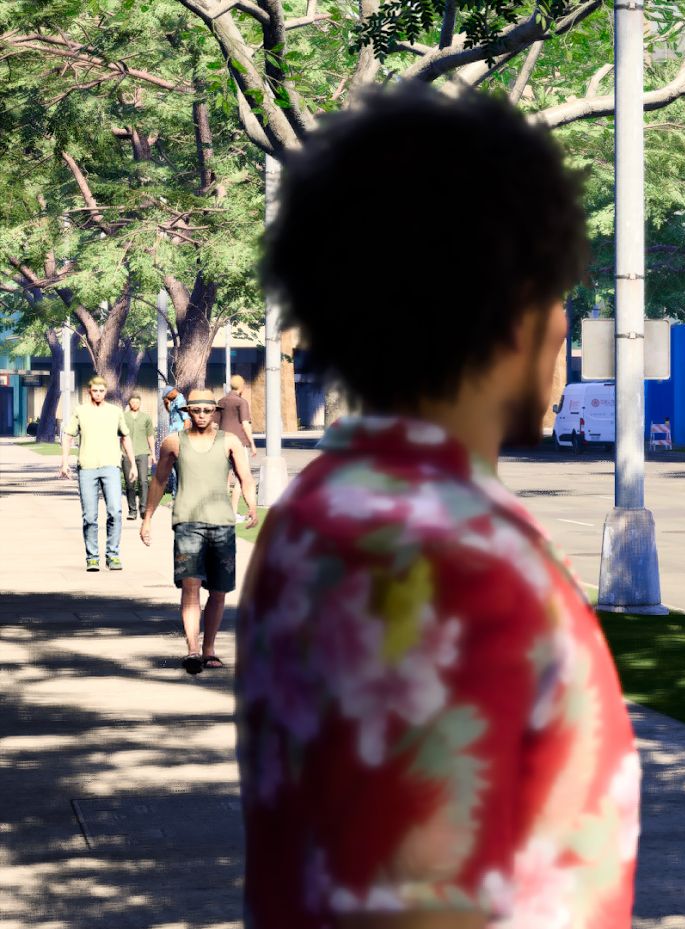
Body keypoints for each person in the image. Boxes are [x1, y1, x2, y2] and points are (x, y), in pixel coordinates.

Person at [237, 87, 637, 929]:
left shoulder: (311, 509)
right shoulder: (447, 560)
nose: (567, 322)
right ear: (514, 308)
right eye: (559, 289)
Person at [140, 388, 258, 674]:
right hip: (188, 522)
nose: (202, 415)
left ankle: (209, 649)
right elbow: (159, 480)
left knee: (218, 591)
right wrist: (148, 518)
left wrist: (252, 506)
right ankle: (193, 649)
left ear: (215, 412)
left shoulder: (229, 441)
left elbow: (245, 477)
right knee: (190, 587)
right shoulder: (173, 442)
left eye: (207, 410)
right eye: (197, 410)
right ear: (188, 412)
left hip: (222, 524)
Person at [58, 376, 136, 571]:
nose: (98, 394)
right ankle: (92, 556)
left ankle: (113, 554)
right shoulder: (80, 411)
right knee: (90, 516)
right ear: (89, 391)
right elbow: (68, 436)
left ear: (106, 391)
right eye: (95, 391)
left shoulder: (115, 412)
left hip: (110, 466)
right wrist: (64, 462)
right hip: (87, 467)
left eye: (102, 391)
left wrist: (133, 464)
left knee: (115, 511)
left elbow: (125, 438)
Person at [217, 374, 257, 514]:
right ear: (242, 387)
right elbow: (245, 424)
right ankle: (233, 512)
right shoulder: (242, 402)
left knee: (224, 479)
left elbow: (215, 424)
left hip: (221, 443)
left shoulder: (221, 401)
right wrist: (252, 443)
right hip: (238, 443)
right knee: (241, 478)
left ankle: (223, 511)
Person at [122, 394, 157, 520]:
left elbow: (150, 436)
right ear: (129, 403)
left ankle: (143, 507)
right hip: (126, 454)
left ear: (140, 403)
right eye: (133, 402)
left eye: (137, 402)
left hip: (142, 452)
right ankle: (132, 510)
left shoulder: (146, 418)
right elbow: (118, 436)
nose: (135, 404)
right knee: (130, 483)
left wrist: (153, 453)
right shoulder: (123, 417)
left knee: (143, 481)